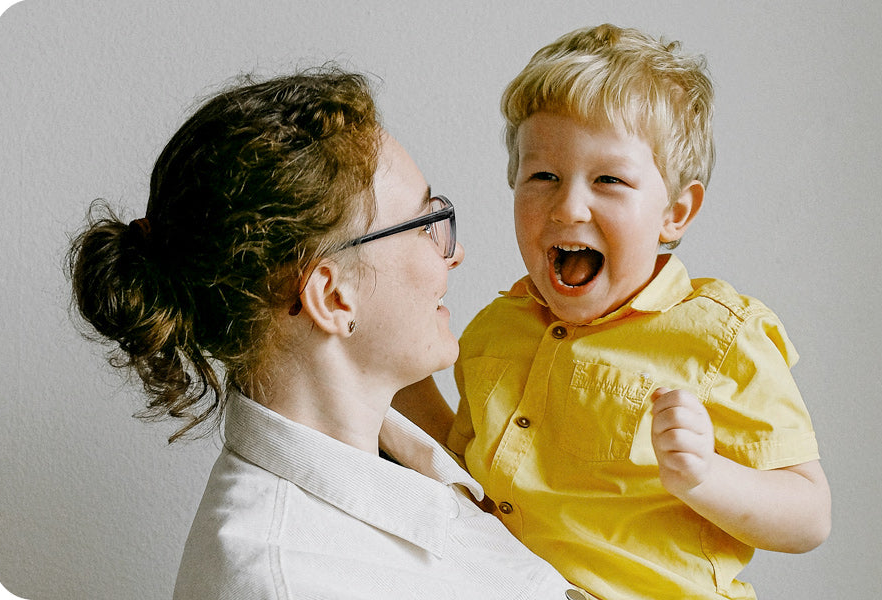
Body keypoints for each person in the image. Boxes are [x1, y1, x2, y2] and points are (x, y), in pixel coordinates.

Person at [68, 67, 593, 600]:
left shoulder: (427, 454)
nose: (454, 253)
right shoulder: (284, 582)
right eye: (425, 225)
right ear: (331, 296)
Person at [406, 24, 832, 600]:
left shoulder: (722, 337)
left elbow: (810, 519)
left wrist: (708, 476)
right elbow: (463, 480)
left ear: (675, 213)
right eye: (543, 177)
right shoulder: (491, 331)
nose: (568, 206)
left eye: (609, 179)